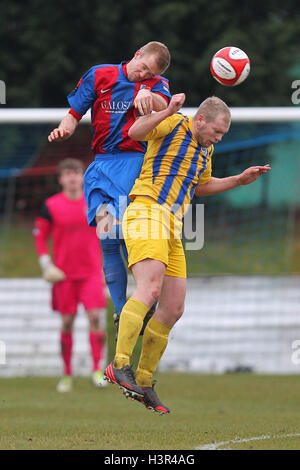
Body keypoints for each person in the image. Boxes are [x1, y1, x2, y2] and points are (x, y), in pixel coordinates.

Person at [103, 94, 271, 414]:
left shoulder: (206, 150)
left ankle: (144, 379)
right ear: (201, 119)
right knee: (149, 288)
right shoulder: (174, 122)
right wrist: (166, 109)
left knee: (174, 307)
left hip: (173, 225)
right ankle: (119, 363)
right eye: (217, 132)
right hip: (147, 211)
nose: (219, 139)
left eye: (223, 135)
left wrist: (238, 179)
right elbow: (135, 132)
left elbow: (200, 185)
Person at [47, 42, 172, 339]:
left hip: (134, 166)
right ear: (138, 53)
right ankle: (121, 309)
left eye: (149, 74)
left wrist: (147, 93)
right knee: (106, 235)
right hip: (101, 167)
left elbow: (162, 103)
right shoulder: (100, 75)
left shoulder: (157, 84)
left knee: (127, 233)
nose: (143, 75)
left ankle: (141, 302)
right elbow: (74, 113)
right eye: (143, 68)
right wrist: (64, 128)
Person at [33, 158, 107, 392]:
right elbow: (39, 236)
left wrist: (109, 268)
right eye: (68, 173)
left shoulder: (95, 203)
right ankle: (66, 374)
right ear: (61, 179)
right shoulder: (51, 205)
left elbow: (108, 235)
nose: (73, 177)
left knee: (95, 319)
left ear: (83, 177)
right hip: (64, 276)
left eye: (77, 172)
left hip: (92, 274)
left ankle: (97, 370)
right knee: (67, 323)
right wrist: (46, 264)